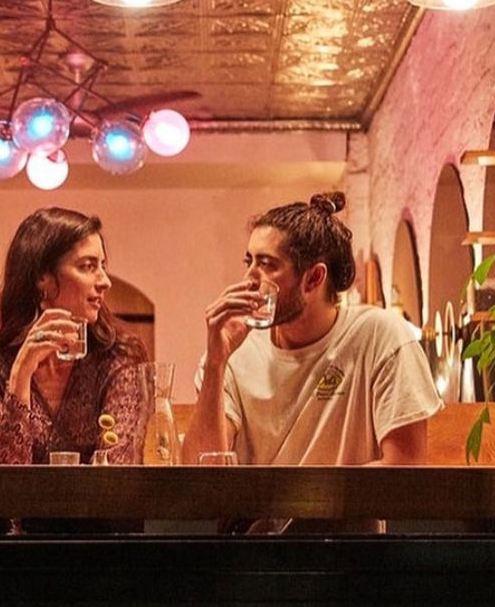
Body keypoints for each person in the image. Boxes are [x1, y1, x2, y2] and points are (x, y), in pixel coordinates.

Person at [182, 191, 442, 475]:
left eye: (267, 264)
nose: (249, 279)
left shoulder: (380, 336)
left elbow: (406, 468)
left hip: (345, 521)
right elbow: (202, 473)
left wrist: (301, 506)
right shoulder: (235, 350)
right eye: (249, 262)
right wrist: (216, 363)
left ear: (314, 278)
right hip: (251, 521)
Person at [0, 207, 146, 533]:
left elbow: (116, 478)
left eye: (102, 266)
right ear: (42, 280)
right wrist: (21, 374)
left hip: (104, 552)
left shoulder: (119, 358)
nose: (104, 281)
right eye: (88, 267)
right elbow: (0, 482)